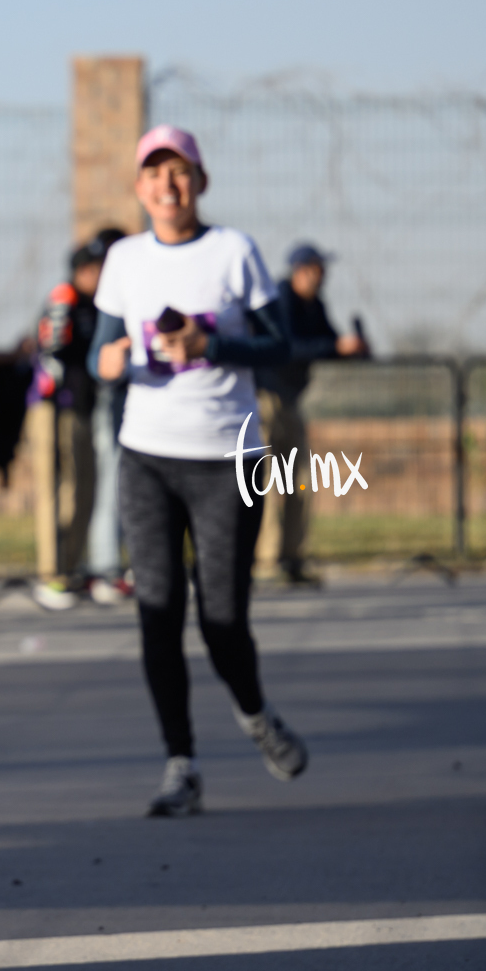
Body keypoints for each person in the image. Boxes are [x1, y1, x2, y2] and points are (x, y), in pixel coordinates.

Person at [89, 125, 309, 818]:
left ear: (200, 181)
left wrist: (209, 341)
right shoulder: (124, 259)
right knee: (157, 613)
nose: (167, 184)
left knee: (221, 619)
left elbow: (280, 341)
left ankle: (255, 715)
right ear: (139, 187)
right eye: (154, 172)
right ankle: (179, 764)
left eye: (179, 171)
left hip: (226, 456)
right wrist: (113, 360)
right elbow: (100, 352)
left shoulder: (233, 251)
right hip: (147, 456)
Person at [256, 243, 369, 585]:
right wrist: (334, 347)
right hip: (264, 399)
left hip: (291, 401)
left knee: (299, 480)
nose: (323, 277)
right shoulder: (281, 300)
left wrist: (351, 350)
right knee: (267, 483)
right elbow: (287, 348)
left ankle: (293, 556)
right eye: (318, 269)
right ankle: (266, 562)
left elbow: (328, 342)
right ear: (301, 270)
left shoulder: (315, 305)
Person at [27, 240, 110, 609]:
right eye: (96, 269)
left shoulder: (95, 305)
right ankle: (52, 574)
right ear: (82, 270)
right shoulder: (66, 298)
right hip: (54, 407)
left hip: (80, 408)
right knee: (55, 490)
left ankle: (72, 568)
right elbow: (52, 350)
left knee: (82, 489)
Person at [80, 227, 132, 602]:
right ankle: (105, 569)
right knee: (111, 481)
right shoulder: (89, 299)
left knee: (132, 485)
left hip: (140, 398)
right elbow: (93, 358)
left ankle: (123, 566)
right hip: (110, 398)